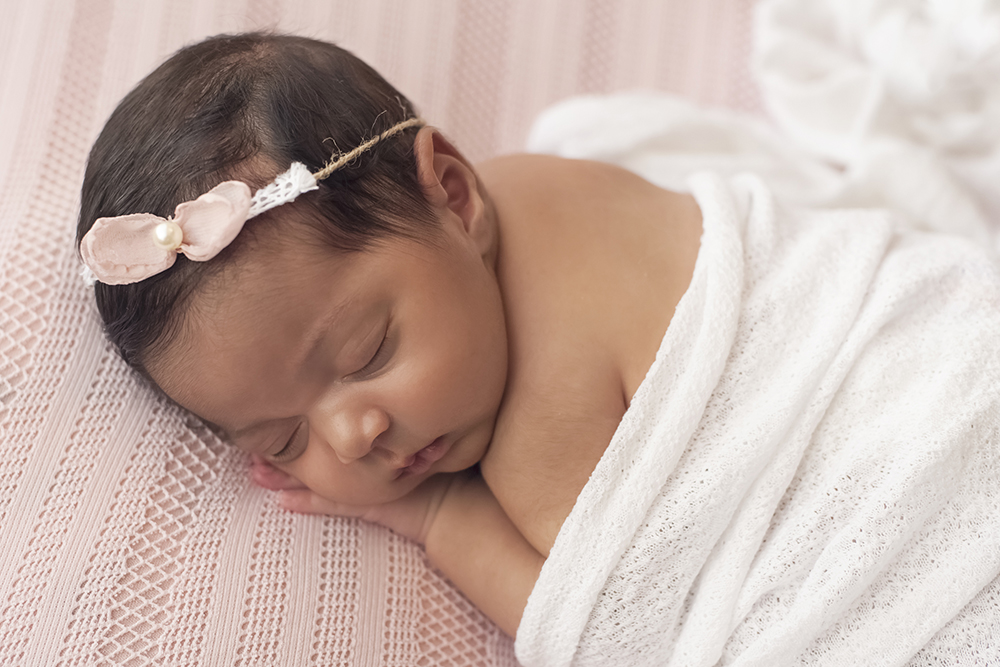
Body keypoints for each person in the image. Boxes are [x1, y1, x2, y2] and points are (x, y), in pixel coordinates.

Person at [75, 31, 702, 639]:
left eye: (367, 353)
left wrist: (442, 517)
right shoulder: (543, 177)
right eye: (285, 441)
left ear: (455, 197)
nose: (352, 439)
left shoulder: (542, 436)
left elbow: (630, 632)